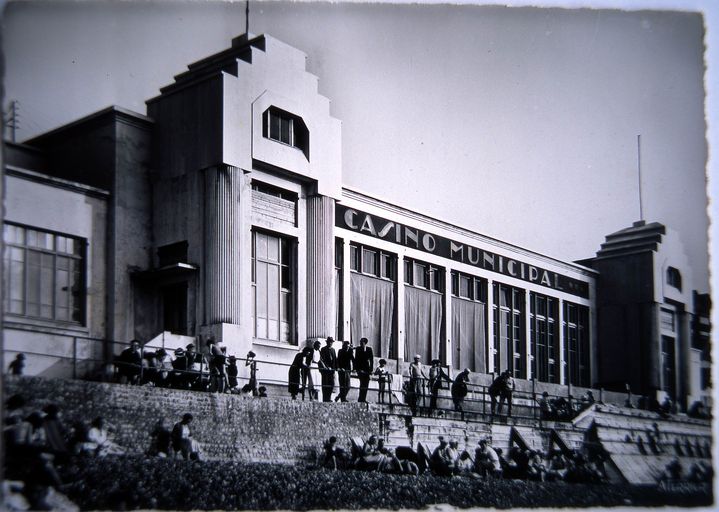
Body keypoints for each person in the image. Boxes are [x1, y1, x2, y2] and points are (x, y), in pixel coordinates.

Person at [354, 337, 374, 403]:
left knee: (366, 384)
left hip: (367, 370)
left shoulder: (369, 349)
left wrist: (371, 370)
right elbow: (356, 359)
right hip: (360, 369)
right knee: (362, 384)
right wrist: (357, 369)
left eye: (362, 342)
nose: (360, 344)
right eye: (360, 342)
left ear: (365, 343)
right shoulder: (358, 349)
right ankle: (360, 399)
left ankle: (364, 398)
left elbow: (371, 360)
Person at [319, 337, 337, 402]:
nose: (330, 343)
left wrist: (335, 368)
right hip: (325, 371)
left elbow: (334, 359)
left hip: (331, 370)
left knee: (331, 384)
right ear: (327, 342)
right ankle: (325, 399)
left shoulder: (333, 350)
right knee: (325, 384)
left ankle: (329, 398)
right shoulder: (323, 349)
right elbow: (322, 360)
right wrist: (327, 367)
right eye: (329, 342)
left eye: (331, 342)